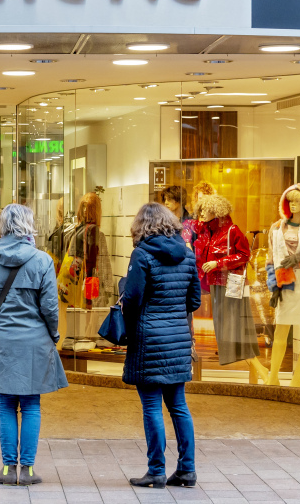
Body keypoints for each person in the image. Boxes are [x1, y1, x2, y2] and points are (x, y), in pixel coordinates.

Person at [0, 203, 68, 487]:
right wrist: (53, 334)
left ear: (2, 226)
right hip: (34, 340)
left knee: (5, 404)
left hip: (2, 340)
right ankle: (26, 470)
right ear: (29, 225)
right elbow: (50, 307)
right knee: (31, 404)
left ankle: (6, 470)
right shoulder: (42, 260)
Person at [122, 202, 200, 489]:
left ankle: (156, 470)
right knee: (179, 405)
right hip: (178, 340)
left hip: (149, 340)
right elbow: (194, 301)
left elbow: (132, 299)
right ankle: (187, 470)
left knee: (152, 406)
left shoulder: (141, 255)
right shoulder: (188, 256)